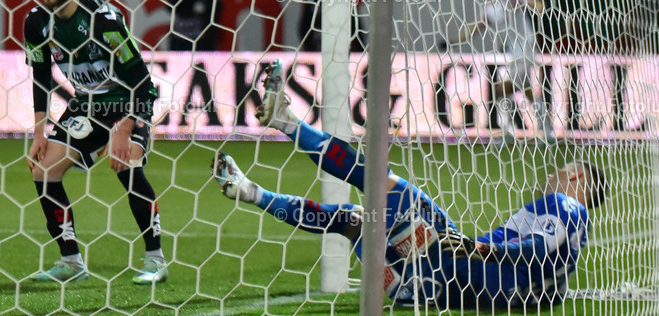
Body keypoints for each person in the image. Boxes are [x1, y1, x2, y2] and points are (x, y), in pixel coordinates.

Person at [212, 61, 606, 308]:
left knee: (382, 184)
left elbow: (539, 246)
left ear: (577, 178)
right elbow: (546, 277)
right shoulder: (570, 237)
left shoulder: (567, 205)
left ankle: (285, 122)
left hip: (464, 265)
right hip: (447, 280)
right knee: (354, 220)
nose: (552, 176)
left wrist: (480, 247)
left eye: (563, 170)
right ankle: (251, 191)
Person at [24, 0, 168, 284]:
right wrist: (39, 132)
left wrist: (125, 127)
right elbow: (41, 77)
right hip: (88, 104)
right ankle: (71, 262)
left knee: (128, 165)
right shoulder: (35, 22)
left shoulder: (103, 20)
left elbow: (143, 83)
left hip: (128, 100)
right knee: (43, 171)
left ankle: (155, 260)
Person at [443, 0, 552, 144]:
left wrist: (530, 7)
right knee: (526, 91)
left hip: (526, 50)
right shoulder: (489, 7)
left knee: (501, 88)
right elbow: (475, 28)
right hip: (512, 55)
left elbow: (539, 5)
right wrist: (453, 42)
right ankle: (546, 129)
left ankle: (508, 131)